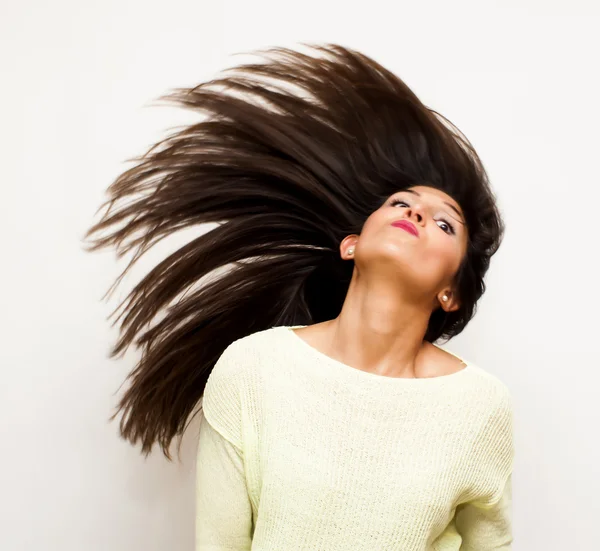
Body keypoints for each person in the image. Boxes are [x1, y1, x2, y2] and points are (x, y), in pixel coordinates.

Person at [83, 42, 514, 550]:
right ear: (351, 244)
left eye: (445, 223)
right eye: (400, 202)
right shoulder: (252, 369)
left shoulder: (480, 406)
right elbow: (219, 545)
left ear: (451, 294)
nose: (416, 213)